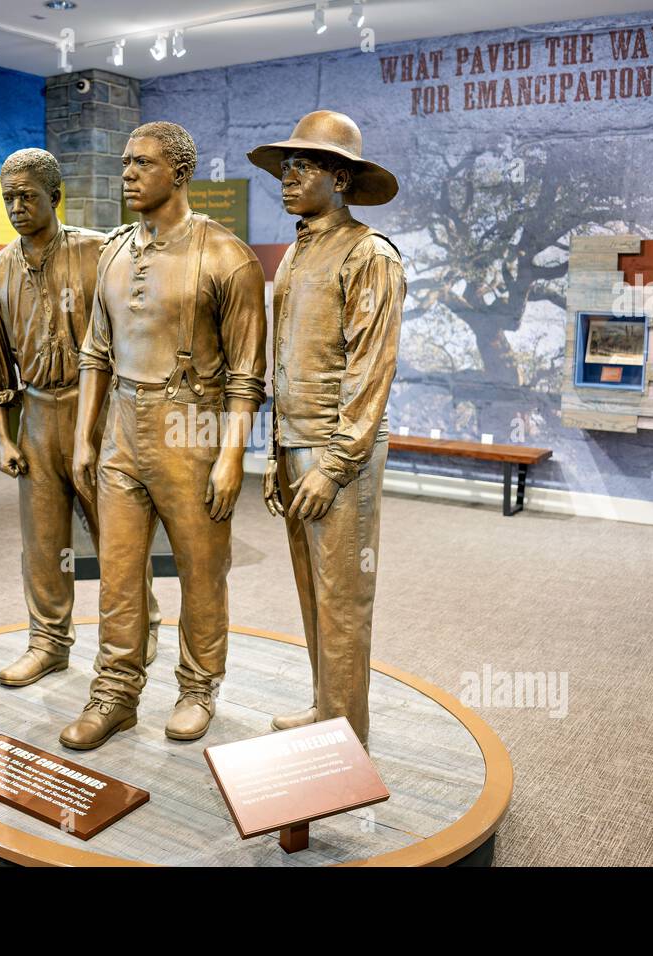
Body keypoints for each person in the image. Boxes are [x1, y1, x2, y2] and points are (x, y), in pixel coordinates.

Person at [59, 122, 267, 751]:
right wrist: (83, 437)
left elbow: (247, 375)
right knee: (119, 570)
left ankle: (199, 686)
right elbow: (96, 351)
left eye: (141, 162)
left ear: (178, 171)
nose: (126, 172)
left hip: (192, 426)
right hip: (124, 424)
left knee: (202, 569)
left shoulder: (228, 258)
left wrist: (232, 455)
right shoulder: (115, 252)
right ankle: (115, 693)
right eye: (124, 161)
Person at [0, 147, 160, 688]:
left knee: (118, 534)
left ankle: (139, 628)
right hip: (35, 414)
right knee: (43, 540)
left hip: (97, 409)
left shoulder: (101, 254)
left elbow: (134, 332)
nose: (16, 207)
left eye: (27, 196)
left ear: (55, 196)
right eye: (8, 198)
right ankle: (48, 641)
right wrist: (3, 439)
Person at [248, 110, 406, 748]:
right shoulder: (297, 251)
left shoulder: (370, 255)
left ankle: (345, 738)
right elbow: (285, 360)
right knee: (313, 589)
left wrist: (335, 463)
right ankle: (325, 708)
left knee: (343, 600)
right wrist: (275, 453)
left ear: (340, 177)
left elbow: (371, 371)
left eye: (303, 166)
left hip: (340, 450)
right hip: (296, 445)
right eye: (285, 167)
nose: (287, 178)